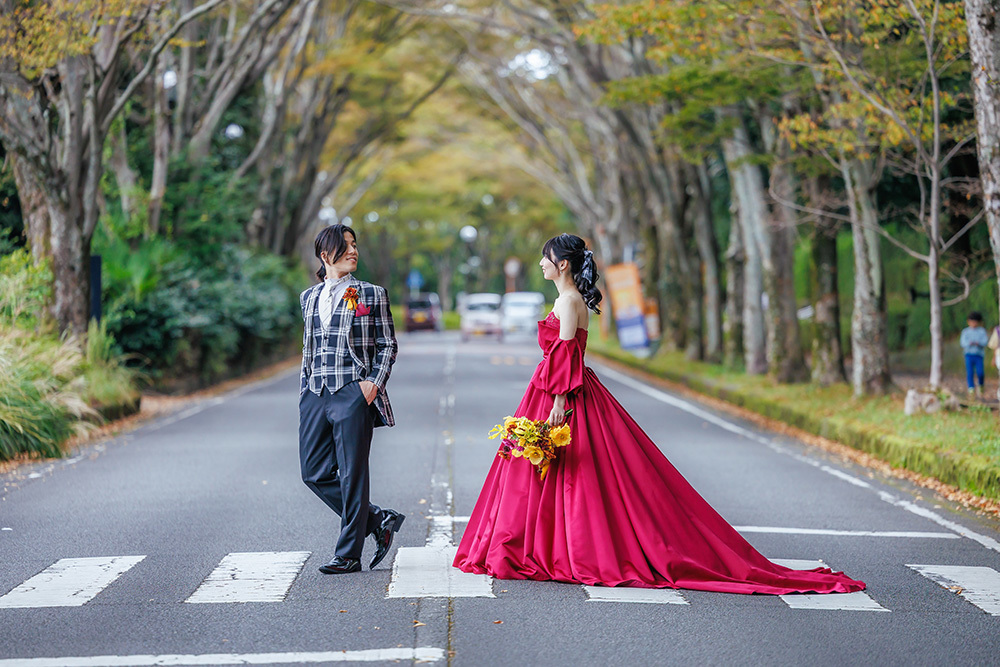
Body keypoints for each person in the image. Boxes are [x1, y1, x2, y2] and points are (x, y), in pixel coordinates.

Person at [453, 233, 865, 594]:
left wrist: (559, 402)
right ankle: (555, 543)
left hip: (562, 394)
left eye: (545, 257)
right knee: (569, 475)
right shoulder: (568, 298)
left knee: (567, 473)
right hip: (560, 389)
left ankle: (556, 547)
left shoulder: (568, 299)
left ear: (561, 264)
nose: (540, 263)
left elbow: (564, 355)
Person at [298, 223, 405, 574]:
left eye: (355, 245)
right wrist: (304, 390)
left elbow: (388, 344)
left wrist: (371, 385)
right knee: (313, 472)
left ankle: (348, 554)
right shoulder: (308, 297)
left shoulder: (371, 294)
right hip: (315, 393)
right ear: (326, 254)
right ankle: (378, 519)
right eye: (345, 246)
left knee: (352, 474)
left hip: (353, 391)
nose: (353, 251)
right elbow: (308, 350)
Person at [961, 312, 989, 398]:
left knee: (980, 372)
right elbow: (963, 343)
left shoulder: (982, 331)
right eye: (971, 321)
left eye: (975, 321)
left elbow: (985, 342)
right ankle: (971, 389)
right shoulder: (965, 331)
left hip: (979, 355)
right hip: (969, 355)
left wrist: (978, 343)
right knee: (970, 372)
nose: (973, 323)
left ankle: (981, 385)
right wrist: (969, 343)